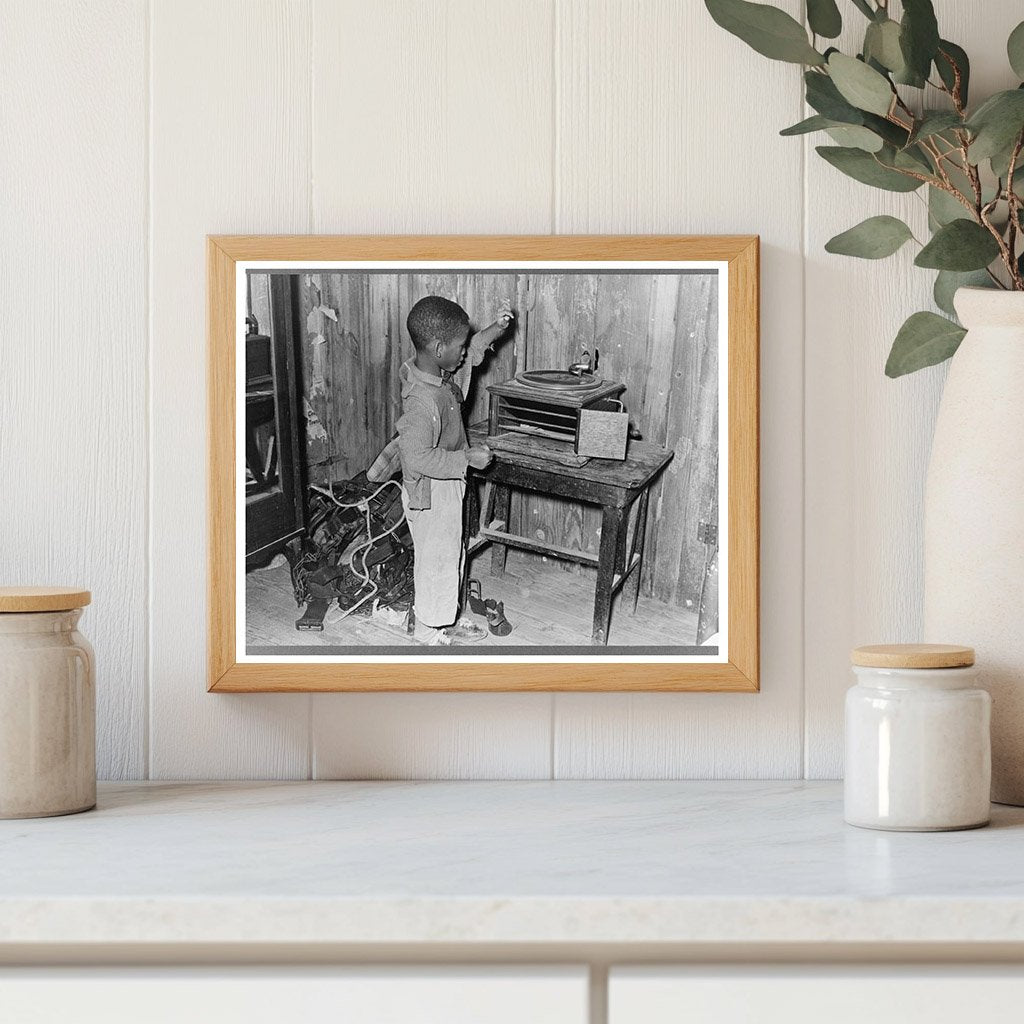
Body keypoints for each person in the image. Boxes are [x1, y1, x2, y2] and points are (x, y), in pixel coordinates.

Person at [397, 295, 513, 645]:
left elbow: (474, 348)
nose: (465, 351)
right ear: (438, 347)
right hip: (430, 495)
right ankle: (430, 633)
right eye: (459, 346)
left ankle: (445, 617)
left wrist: (499, 327)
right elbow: (416, 456)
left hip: (447, 485)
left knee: (451, 555)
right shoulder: (422, 400)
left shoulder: (441, 372)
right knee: (436, 563)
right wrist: (467, 460)